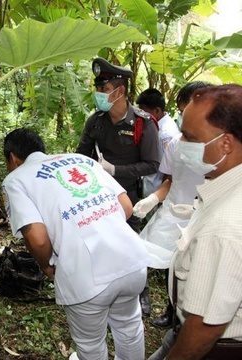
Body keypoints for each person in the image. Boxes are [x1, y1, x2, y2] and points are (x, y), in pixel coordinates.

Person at [2, 128, 149, 360]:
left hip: (87, 275)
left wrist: (47, 267)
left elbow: (38, 238)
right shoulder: (81, 160)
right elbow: (127, 207)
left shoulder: (16, 179)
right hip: (132, 260)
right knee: (129, 329)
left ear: (12, 158)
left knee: (91, 345)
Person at [149, 84, 242, 359]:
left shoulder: (225, 225)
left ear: (225, 143)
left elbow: (204, 328)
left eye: (189, 137)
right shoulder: (225, 188)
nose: (182, 145)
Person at [76, 57, 160, 316]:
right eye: (98, 89)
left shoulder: (142, 123)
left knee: (133, 246)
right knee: (101, 244)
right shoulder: (96, 121)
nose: (99, 94)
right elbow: (82, 154)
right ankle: (103, 289)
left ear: (119, 91)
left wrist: (115, 171)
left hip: (129, 196)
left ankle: (141, 293)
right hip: (98, 196)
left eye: (103, 89)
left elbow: (152, 164)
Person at [133, 82, 210, 329]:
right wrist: (153, 199)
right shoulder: (175, 144)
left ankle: (190, 319)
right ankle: (171, 310)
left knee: (197, 272)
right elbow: (170, 180)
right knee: (171, 269)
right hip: (174, 213)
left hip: (204, 218)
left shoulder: (222, 146)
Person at [136, 88, 180, 196]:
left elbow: (170, 170)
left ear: (156, 111)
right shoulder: (154, 126)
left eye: (143, 110)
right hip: (151, 188)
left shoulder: (166, 134)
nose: (140, 114)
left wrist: (160, 196)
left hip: (157, 192)